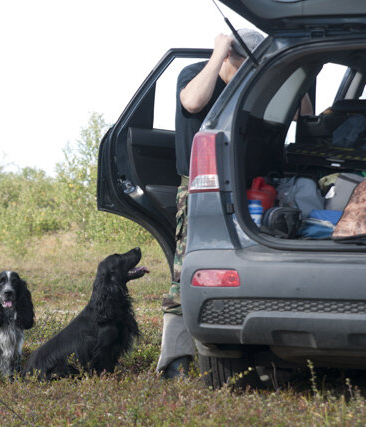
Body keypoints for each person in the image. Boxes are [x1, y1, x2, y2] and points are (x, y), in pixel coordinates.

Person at [157, 29, 265, 378]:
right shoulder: (196, 75)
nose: (248, 77)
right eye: (243, 66)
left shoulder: (253, 82)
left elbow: (298, 115)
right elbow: (191, 103)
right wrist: (219, 52)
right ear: (228, 58)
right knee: (187, 273)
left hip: (247, 189)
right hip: (201, 190)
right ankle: (174, 363)